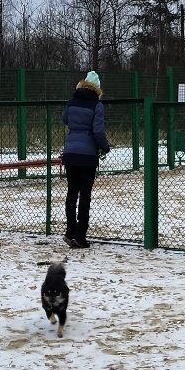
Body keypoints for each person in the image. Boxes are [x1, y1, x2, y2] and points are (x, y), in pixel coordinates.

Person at [60, 70, 110, 248]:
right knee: (85, 195)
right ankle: (80, 235)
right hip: (88, 155)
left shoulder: (72, 101)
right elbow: (98, 131)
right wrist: (105, 146)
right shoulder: (97, 105)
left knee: (72, 193)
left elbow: (65, 119)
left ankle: (70, 230)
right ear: (97, 89)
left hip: (71, 153)